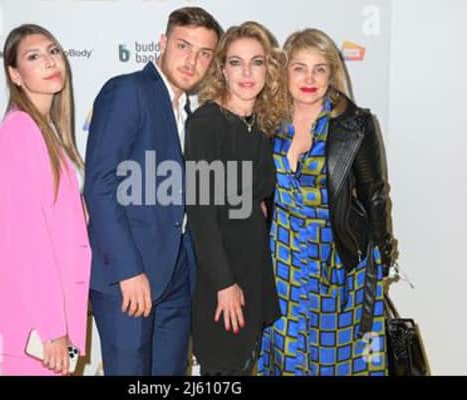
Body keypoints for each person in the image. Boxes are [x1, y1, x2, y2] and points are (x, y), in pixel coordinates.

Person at [84, 7, 222, 376]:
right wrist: (128, 270)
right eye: (183, 46)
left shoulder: (186, 111)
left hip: (175, 274)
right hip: (129, 276)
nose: (192, 61)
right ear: (162, 42)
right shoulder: (128, 91)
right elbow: (100, 185)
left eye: (204, 53)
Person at [256, 28, 399, 376]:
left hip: (338, 263)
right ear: (284, 71)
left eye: (319, 69)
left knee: (338, 361)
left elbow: (375, 194)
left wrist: (380, 260)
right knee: (287, 356)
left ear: (332, 73)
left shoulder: (356, 125)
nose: (309, 79)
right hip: (281, 261)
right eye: (299, 68)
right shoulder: (267, 121)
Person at [0, 24, 91, 376]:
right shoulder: (20, 131)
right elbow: (26, 239)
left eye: (53, 51)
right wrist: (51, 328)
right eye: (34, 56)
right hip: (36, 323)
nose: (49, 61)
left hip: (52, 314)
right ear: (15, 75)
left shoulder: (47, 130)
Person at [185, 21, 287, 376]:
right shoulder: (206, 124)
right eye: (236, 62)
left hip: (255, 271)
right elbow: (201, 214)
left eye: (256, 62)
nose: (246, 73)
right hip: (222, 279)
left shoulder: (262, 124)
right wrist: (224, 283)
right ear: (222, 70)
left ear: (268, 69)